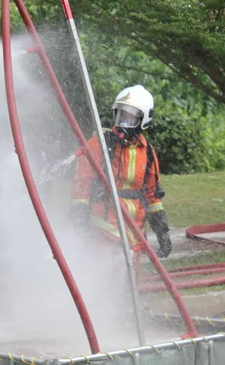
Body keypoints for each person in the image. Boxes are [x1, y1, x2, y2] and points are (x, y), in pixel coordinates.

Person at [71, 85, 172, 258]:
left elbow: (152, 197)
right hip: (104, 230)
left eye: (130, 116)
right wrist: (80, 224)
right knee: (106, 281)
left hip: (135, 234)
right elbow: (82, 185)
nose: (123, 120)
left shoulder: (147, 153)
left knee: (129, 282)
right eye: (121, 114)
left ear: (144, 119)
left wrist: (163, 234)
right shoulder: (100, 144)